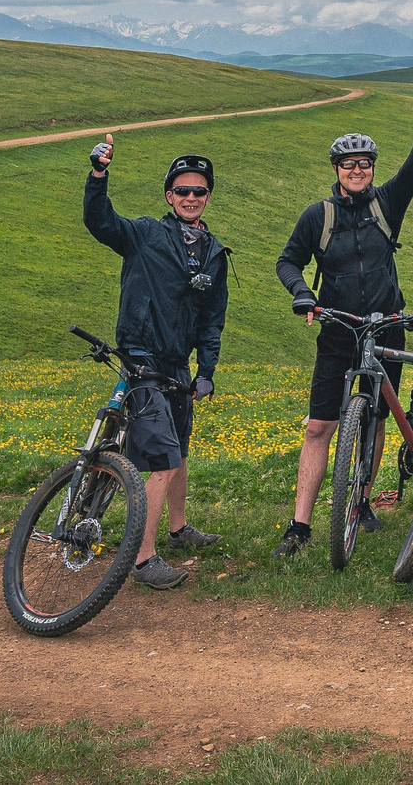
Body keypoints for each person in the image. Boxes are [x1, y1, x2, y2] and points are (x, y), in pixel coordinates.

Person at [270, 68, 413, 558]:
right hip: (338, 329)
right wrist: (303, 293)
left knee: (374, 418)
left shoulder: (388, 203)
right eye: (348, 164)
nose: (357, 171)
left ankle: (362, 501)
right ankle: (300, 524)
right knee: (318, 427)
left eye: (364, 164)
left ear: (372, 167)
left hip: (388, 327)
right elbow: (288, 260)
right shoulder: (318, 216)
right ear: (336, 169)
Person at [82, 136, 231, 589]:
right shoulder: (146, 233)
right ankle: (142, 559)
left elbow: (211, 320)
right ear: (170, 196)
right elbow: (100, 222)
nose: (191, 198)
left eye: (199, 191)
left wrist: (206, 371)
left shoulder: (214, 252)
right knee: (163, 459)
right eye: (182, 191)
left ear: (207, 197)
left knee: (179, 450)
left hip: (179, 368)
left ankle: (179, 528)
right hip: (141, 359)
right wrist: (98, 176)